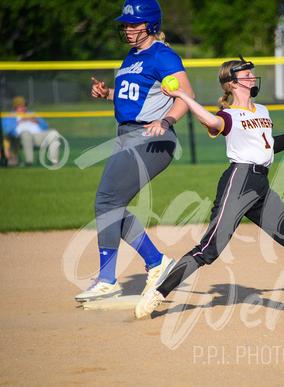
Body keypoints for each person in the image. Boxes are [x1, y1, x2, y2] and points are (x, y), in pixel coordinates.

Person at [134, 57, 284, 320]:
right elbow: (211, 122)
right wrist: (182, 94)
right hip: (239, 181)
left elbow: (266, 146)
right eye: (247, 75)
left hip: (260, 185)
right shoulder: (228, 115)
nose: (253, 78)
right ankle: (157, 293)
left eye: (252, 74)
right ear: (232, 83)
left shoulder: (262, 110)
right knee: (209, 249)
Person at [74, 0, 195, 303]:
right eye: (125, 25)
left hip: (152, 137)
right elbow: (135, 96)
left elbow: (186, 95)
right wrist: (108, 94)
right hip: (128, 134)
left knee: (106, 201)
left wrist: (167, 120)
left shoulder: (162, 55)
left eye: (134, 24)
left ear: (151, 25)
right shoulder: (131, 57)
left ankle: (108, 279)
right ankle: (155, 262)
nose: (128, 30)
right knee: (111, 204)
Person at [1, 96, 61, 167]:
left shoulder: (31, 113)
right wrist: (20, 121)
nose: (23, 108)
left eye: (24, 106)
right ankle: (29, 162)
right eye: (21, 106)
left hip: (38, 135)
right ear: (15, 107)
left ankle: (54, 162)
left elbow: (45, 126)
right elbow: (7, 129)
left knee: (53, 132)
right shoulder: (9, 116)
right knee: (26, 133)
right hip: (20, 138)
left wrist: (37, 122)